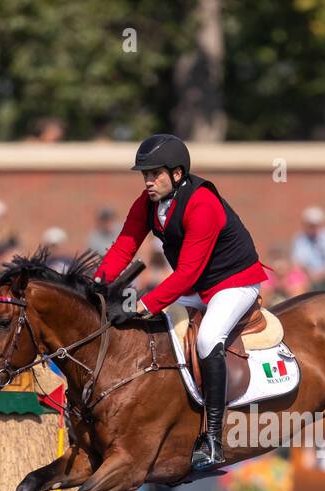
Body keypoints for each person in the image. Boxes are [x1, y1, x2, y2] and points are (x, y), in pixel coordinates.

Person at [91, 133, 268, 470]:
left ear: (176, 173)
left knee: (206, 339)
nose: (147, 181)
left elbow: (186, 274)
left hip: (234, 283)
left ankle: (214, 439)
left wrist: (143, 306)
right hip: (201, 285)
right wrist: (97, 284)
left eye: (154, 174)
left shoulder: (203, 203)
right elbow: (124, 245)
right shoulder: (148, 203)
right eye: (144, 174)